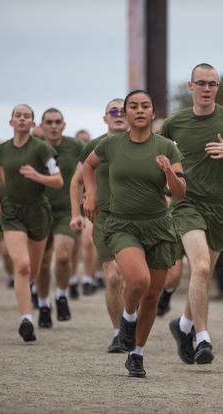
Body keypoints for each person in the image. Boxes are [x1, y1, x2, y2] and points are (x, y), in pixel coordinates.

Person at [161, 63, 223, 365]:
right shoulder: (173, 123)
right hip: (187, 203)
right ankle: (202, 338)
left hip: (220, 206)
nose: (207, 89)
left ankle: (182, 327)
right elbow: (159, 160)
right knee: (201, 268)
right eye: (201, 83)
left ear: (218, 88)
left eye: (212, 84)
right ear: (190, 87)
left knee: (203, 276)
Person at [82, 90, 185, 377]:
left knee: (152, 296)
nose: (139, 111)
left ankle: (137, 354)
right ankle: (127, 318)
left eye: (145, 106)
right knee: (138, 280)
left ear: (153, 113)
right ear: (125, 114)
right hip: (122, 224)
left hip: (158, 226)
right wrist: (90, 195)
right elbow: (88, 168)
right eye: (133, 107)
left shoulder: (167, 147)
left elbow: (180, 192)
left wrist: (169, 173)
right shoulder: (111, 145)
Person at [0, 104, 63, 342]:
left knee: (34, 270)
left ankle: (29, 289)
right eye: (18, 116)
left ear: (32, 124)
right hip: (11, 211)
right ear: (11, 122)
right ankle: (27, 319)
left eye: (26, 116)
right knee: (21, 265)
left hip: (38, 211)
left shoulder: (42, 149)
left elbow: (58, 181)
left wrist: (37, 176)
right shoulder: (2, 149)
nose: (22, 119)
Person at [70, 98, 129, 352]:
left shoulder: (142, 142)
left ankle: (131, 322)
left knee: (133, 279)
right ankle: (119, 332)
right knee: (114, 277)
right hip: (104, 217)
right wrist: (77, 214)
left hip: (135, 218)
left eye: (123, 111)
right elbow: (76, 182)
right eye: (113, 111)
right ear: (105, 118)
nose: (119, 115)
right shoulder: (94, 147)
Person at [34, 108, 83, 328]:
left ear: (64, 125)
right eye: (49, 122)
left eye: (57, 122)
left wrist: (90, 194)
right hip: (39, 212)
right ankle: (44, 305)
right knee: (43, 265)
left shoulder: (75, 146)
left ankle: (61, 295)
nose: (53, 126)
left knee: (63, 257)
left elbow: (92, 167)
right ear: (41, 126)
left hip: (67, 211)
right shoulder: (33, 148)